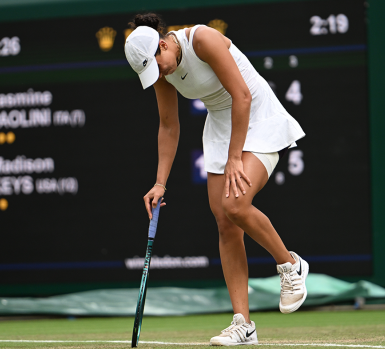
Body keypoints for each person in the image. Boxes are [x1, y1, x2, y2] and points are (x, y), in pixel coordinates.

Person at [124, 13, 308, 346]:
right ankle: (244, 324)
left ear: (163, 44)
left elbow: (243, 96)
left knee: (236, 205)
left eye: (158, 64)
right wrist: (160, 183)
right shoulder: (162, 71)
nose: (160, 72)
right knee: (225, 222)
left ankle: (290, 266)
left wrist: (235, 157)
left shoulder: (202, 39)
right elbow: (168, 127)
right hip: (222, 129)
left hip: (256, 117)